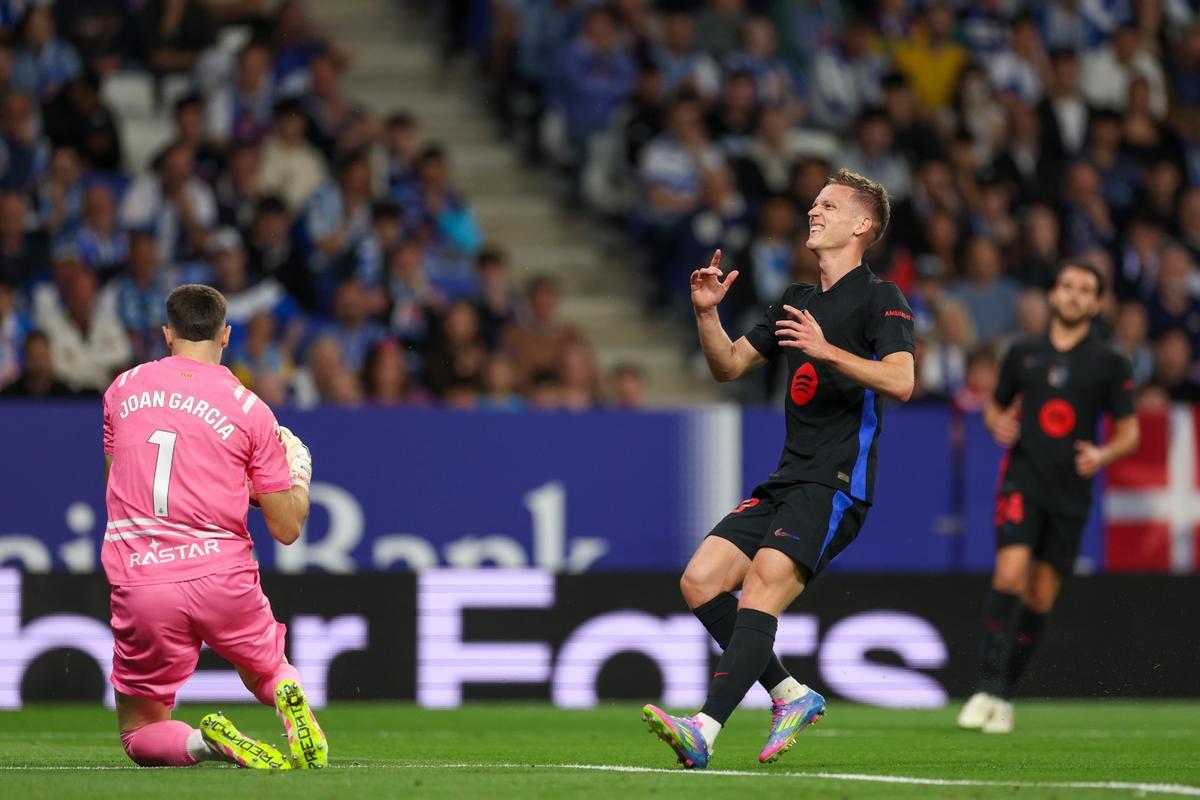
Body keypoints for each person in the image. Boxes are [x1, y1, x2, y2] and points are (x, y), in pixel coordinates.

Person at [642, 169, 915, 768]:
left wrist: (826, 351)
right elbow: (728, 366)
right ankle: (790, 693)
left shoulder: (882, 298)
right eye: (814, 204)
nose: (813, 212)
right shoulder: (797, 299)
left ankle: (704, 730)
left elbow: (901, 380)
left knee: (762, 584)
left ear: (862, 225)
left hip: (837, 482)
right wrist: (707, 314)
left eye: (829, 206)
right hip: (787, 477)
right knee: (701, 580)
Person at [101, 284, 327, 770]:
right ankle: (285, 690)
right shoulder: (250, 409)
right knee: (267, 668)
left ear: (168, 333)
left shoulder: (122, 389)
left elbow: (119, 481)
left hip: (143, 578)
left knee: (139, 730)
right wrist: (299, 476)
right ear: (226, 335)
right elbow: (286, 527)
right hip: (221, 575)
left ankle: (206, 744)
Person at [957, 261, 1140, 734]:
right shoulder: (1023, 353)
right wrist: (996, 422)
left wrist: (1102, 453)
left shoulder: (1109, 361)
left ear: (1096, 304)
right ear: (1054, 295)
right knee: (1009, 573)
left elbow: (1130, 432)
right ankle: (984, 689)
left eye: (1085, 289)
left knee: (1039, 596)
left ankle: (1005, 697)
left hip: (1070, 493)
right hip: (1023, 479)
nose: (1074, 295)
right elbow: (995, 406)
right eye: (1067, 286)